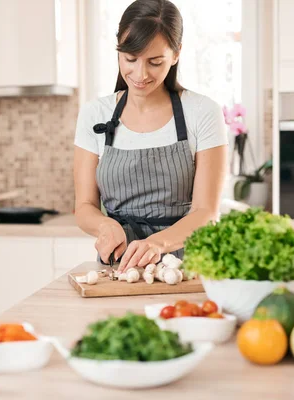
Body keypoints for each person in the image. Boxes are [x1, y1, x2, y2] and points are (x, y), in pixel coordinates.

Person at [73, 0, 228, 273]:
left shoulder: (202, 112)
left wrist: (157, 244)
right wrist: (106, 225)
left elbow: (206, 212)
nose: (140, 74)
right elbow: (84, 206)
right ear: (118, 50)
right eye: (130, 59)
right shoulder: (94, 113)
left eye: (155, 62)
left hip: (187, 268)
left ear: (176, 54)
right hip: (119, 268)